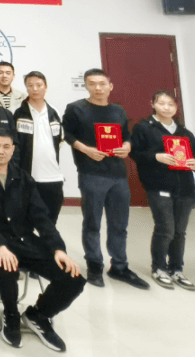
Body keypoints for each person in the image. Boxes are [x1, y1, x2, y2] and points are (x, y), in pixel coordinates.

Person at [0, 130, 85, 351]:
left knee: (73, 277)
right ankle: (11, 316)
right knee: (7, 266)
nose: (1, 151)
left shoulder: (24, 179)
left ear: (13, 150)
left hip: (23, 240)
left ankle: (38, 315)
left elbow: (42, 218)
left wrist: (58, 249)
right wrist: (1, 246)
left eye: (6, 147)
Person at [62, 69, 148, 290]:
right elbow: (67, 135)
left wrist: (127, 146)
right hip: (91, 173)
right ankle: (94, 266)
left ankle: (119, 266)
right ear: (86, 86)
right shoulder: (76, 108)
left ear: (110, 86)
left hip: (118, 174)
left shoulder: (118, 110)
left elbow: (126, 135)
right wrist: (87, 150)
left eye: (102, 84)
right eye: (92, 83)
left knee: (119, 224)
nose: (97, 88)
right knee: (92, 223)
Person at [130, 90, 195, 291]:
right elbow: (135, 153)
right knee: (165, 229)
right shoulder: (144, 128)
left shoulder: (184, 132)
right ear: (153, 104)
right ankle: (159, 268)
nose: (166, 107)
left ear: (176, 107)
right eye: (162, 103)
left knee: (179, 232)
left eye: (171, 104)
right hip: (158, 187)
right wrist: (157, 157)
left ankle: (176, 269)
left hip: (186, 189)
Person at [13, 71, 65, 222]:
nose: (35, 89)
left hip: (53, 177)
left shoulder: (54, 113)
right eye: (30, 85)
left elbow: (59, 141)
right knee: (25, 223)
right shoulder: (18, 113)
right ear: (26, 88)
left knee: (50, 223)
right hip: (27, 178)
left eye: (39, 85)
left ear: (45, 87)